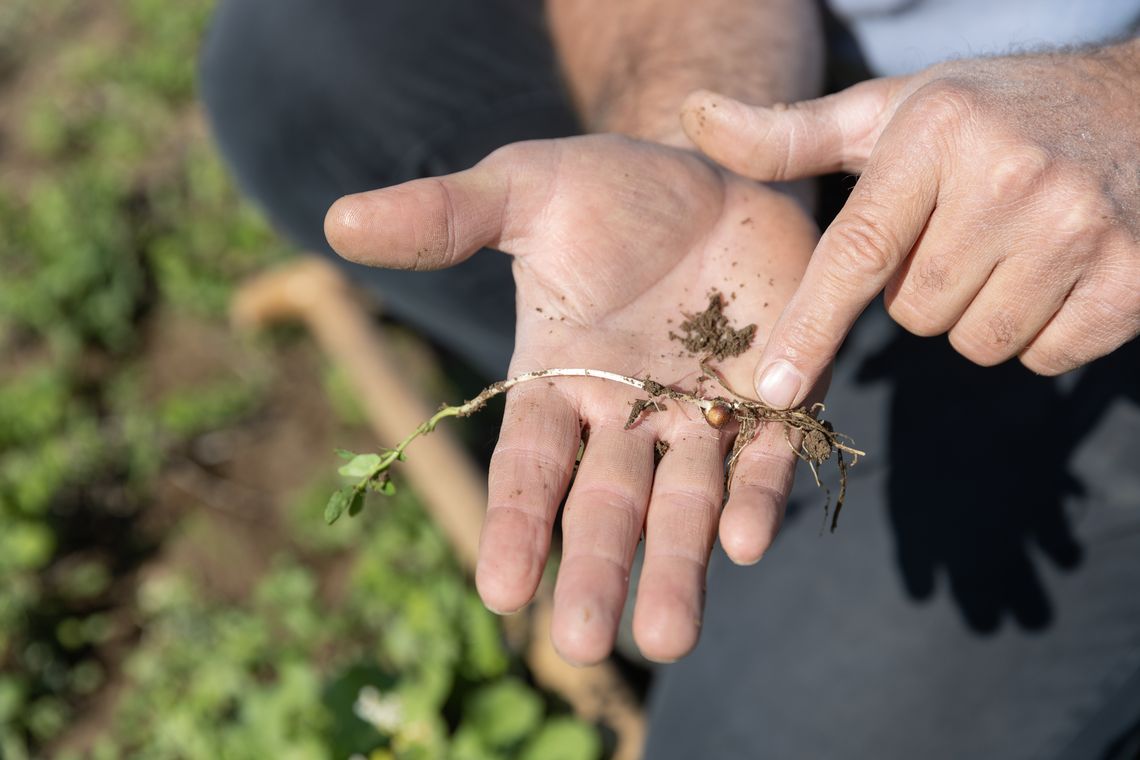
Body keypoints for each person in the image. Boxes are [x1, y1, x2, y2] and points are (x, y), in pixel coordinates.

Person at [200, 1, 1140, 757]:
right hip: (835, 98)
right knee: (300, 49)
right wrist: (696, 145)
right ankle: (729, 521)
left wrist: (1121, 113)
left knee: (754, 738)